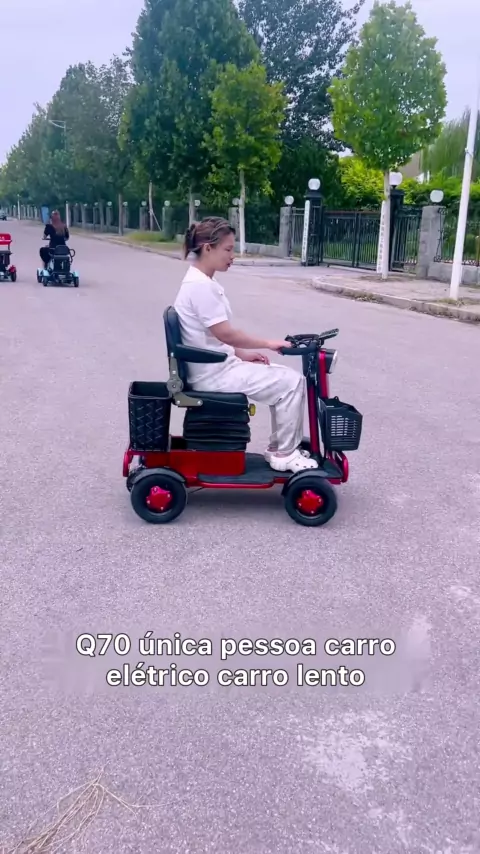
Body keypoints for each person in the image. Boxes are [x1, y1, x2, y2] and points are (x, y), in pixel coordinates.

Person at [173, 217, 318, 474]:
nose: (233, 256)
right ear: (208, 248)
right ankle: (285, 453)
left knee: (285, 379)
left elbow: (211, 337)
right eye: (228, 249)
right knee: (291, 382)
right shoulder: (200, 287)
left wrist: (242, 354)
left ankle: (280, 448)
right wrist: (269, 343)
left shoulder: (201, 281)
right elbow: (226, 334)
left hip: (214, 367)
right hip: (213, 375)